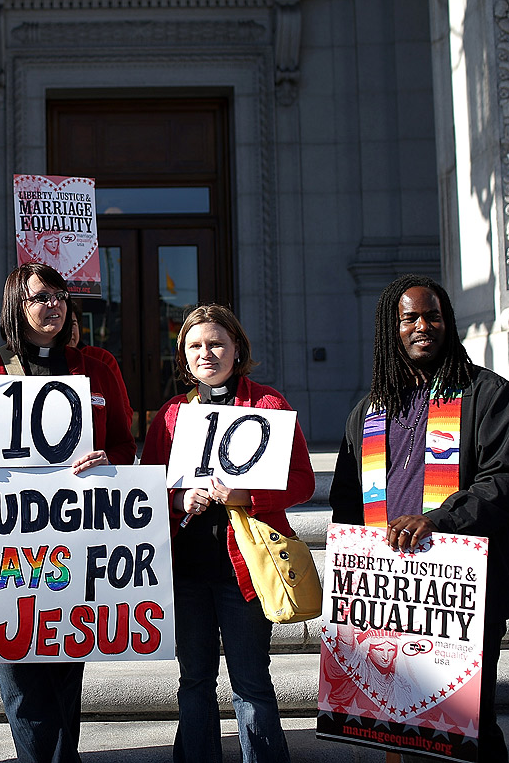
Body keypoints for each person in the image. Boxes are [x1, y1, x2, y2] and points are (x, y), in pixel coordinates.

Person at [0, 262, 136, 763]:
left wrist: (109, 461)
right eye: (41, 296)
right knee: (19, 673)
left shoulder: (98, 364)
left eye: (61, 295)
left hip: (76, 543)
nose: (55, 304)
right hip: (1, 551)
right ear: (15, 306)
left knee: (66, 671)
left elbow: (126, 449)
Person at [328, 274, 509, 763]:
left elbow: (508, 481)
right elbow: (346, 501)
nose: (424, 325)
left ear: (449, 322)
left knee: (466, 727)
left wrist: (438, 520)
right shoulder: (368, 411)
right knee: (397, 729)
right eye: (410, 318)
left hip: (464, 593)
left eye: (434, 315)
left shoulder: (487, 395)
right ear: (390, 329)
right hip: (389, 599)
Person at [140, 304, 314, 763]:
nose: (207, 353)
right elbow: (147, 488)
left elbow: (303, 480)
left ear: (238, 349)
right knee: (194, 678)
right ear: (183, 356)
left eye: (217, 343)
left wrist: (247, 496)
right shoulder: (172, 415)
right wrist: (177, 500)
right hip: (187, 570)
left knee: (250, 679)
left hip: (248, 568)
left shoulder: (268, 405)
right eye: (195, 346)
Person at [68, 299, 133, 428]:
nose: (69, 331)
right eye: (62, 324)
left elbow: (123, 415)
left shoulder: (101, 359)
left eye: (72, 324)